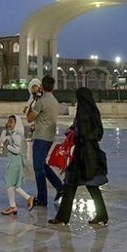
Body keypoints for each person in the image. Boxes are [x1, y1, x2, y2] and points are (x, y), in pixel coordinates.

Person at [49, 88, 109, 225]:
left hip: (82, 155)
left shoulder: (83, 113)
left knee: (70, 185)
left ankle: (62, 217)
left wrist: (75, 135)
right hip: (90, 154)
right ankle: (102, 215)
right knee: (91, 186)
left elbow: (83, 133)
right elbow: (98, 133)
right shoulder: (94, 111)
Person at [26, 75, 64, 207]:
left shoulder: (41, 101)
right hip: (49, 137)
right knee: (42, 165)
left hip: (40, 137)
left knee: (38, 168)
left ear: (42, 86)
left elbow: (30, 118)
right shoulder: (55, 101)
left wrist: (30, 106)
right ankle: (60, 187)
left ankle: (42, 198)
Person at [0, 115, 35, 215]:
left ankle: (13, 206)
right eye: (8, 121)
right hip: (13, 161)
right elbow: (2, 140)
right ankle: (28, 198)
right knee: (14, 185)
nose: (9, 124)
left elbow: (17, 150)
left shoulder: (17, 136)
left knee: (9, 183)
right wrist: (4, 129)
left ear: (16, 123)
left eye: (11, 122)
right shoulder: (12, 134)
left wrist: (8, 146)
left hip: (15, 161)